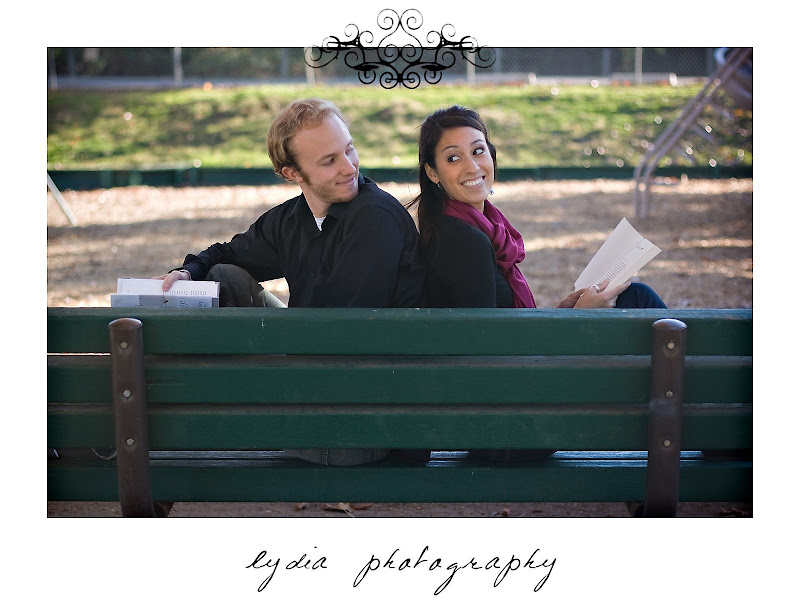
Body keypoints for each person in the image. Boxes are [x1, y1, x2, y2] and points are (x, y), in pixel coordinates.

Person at [157, 98, 427, 466]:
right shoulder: (292, 219)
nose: (348, 167)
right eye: (329, 160)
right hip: (314, 385)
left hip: (360, 425)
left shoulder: (374, 219)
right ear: (293, 174)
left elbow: (344, 339)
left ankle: (172, 433)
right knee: (223, 279)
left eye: (349, 150)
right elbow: (227, 256)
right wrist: (188, 271)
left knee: (206, 420)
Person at [407, 105, 666, 462]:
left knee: (634, 298)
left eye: (478, 150)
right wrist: (577, 322)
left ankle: (711, 418)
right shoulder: (462, 241)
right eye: (454, 158)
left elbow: (496, 329)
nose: (472, 166)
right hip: (507, 428)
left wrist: (560, 313)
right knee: (641, 305)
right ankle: (714, 422)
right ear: (433, 173)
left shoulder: (473, 228)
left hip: (505, 410)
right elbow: (486, 352)